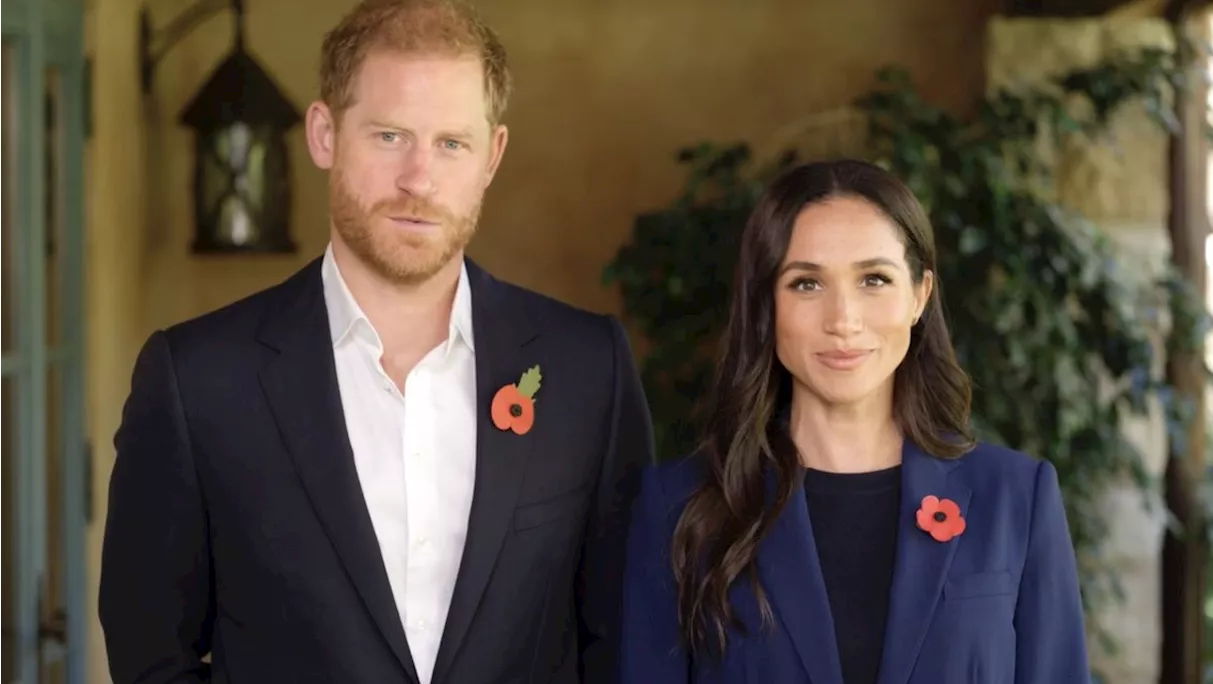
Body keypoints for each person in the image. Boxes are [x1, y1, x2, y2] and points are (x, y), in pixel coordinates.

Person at [98, 1, 654, 682]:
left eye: (452, 143)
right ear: (325, 134)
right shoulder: (196, 381)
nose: (419, 179)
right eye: (390, 136)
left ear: (493, 155)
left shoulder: (586, 370)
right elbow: (151, 655)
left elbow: (627, 641)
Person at [619, 159, 1091, 684]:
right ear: (766, 304)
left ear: (920, 295)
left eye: (873, 279)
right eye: (806, 284)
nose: (843, 320)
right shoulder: (679, 508)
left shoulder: (1016, 499)